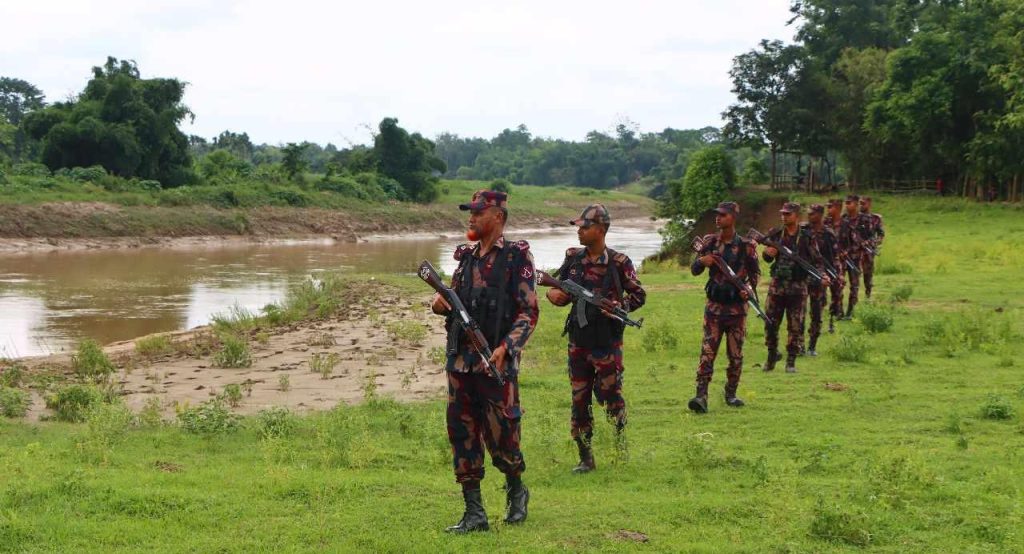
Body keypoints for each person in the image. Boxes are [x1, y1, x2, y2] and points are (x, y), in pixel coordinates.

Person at [430, 190, 539, 533]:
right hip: (461, 363)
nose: (471, 218)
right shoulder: (465, 259)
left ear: (497, 216)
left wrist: (508, 347)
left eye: (478, 212)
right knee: (462, 434)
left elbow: (528, 312)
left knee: (504, 436)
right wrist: (439, 303)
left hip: (496, 363)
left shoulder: (515, 258)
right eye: (470, 212)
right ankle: (474, 512)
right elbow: (448, 298)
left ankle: (517, 489)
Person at [547, 204, 646, 473]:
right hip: (579, 342)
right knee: (579, 400)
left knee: (610, 397)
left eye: (585, 227)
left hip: (607, 343)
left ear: (600, 230)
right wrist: (553, 296)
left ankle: (619, 443)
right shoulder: (573, 259)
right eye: (579, 227)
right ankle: (585, 457)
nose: (579, 231)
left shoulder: (618, 262)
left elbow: (639, 295)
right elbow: (558, 288)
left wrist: (618, 306)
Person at [688, 201, 760, 413]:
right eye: (717, 215)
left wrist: (748, 290)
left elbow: (755, 276)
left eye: (723, 215)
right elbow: (694, 269)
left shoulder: (746, 246)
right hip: (714, 309)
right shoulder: (709, 242)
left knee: (735, 356)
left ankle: (731, 394)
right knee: (707, 353)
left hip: (737, 311)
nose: (718, 218)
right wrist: (703, 261)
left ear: (733, 218)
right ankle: (701, 396)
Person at [761, 202, 828, 373]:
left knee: (795, 326)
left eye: (788, 214)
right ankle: (771, 357)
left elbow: (818, 260)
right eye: (782, 214)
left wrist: (823, 276)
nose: (784, 217)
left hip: (798, 288)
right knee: (770, 323)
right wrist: (767, 254)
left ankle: (791, 362)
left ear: (796, 216)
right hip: (777, 287)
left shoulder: (806, 237)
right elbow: (767, 258)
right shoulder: (775, 234)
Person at [802, 204, 840, 356]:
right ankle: (799, 345)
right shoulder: (803, 231)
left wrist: (836, 275)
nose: (809, 216)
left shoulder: (828, 234)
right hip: (803, 276)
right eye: (808, 213)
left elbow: (835, 257)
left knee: (817, 312)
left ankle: (812, 345)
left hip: (820, 277)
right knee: (799, 312)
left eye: (812, 214)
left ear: (820, 215)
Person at [839, 194, 873, 317]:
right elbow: (839, 237)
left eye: (849, 203)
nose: (847, 205)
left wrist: (860, 246)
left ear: (856, 204)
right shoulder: (843, 219)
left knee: (854, 286)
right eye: (846, 203)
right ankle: (839, 311)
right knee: (839, 283)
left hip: (856, 257)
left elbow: (870, 237)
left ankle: (850, 311)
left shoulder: (865, 219)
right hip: (843, 257)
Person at [824, 199, 846, 333]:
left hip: (837, 260)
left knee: (837, 291)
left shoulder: (845, 224)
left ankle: (835, 316)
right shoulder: (824, 224)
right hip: (822, 262)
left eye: (830, 207)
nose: (828, 209)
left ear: (838, 208)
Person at [858, 196, 885, 299]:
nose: (861, 205)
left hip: (868, 250)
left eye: (863, 203)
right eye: (860, 203)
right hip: (855, 249)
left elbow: (881, 234)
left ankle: (867, 294)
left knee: (867, 273)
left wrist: (874, 243)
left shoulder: (875, 218)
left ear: (869, 204)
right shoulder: (855, 218)